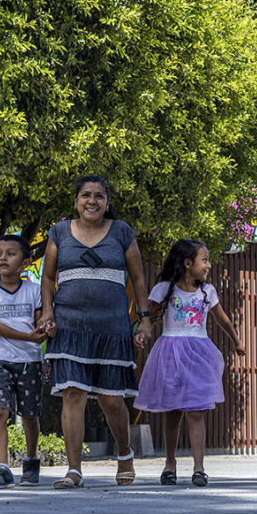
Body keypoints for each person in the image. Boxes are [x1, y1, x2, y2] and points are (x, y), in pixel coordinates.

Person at [39, 175, 153, 488]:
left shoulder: (122, 232)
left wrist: (144, 319)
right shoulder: (59, 232)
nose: (92, 201)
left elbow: (139, 280)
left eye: (99, 196)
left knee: (111, 400)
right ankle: (74, 470)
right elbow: (48, 278)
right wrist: (47, 312)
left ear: (107, 202)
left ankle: (124, 453)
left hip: (112, 328)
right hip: (69, 326)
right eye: (86, 195)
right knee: (72, 394)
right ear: (76, 201)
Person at [134, 240, 245, 487]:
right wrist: (142, 334)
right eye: (204, 260)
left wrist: (237, 340)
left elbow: (222, 319)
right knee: (172, 412)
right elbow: (150, 320)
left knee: (196, 411)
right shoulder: (164, 290)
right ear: (187, 263)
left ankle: (199, 467)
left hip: (198, 353)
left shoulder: (208, 292)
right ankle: (170, 463)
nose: (208, 265)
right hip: (170, 352)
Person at [0, 235, 50, 489]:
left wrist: (46, 328)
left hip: (29, 360)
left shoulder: (35, 291)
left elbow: (42, 320)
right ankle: (3, 468)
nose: (2, 258)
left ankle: (31, 462)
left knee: (30, 414)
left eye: (10, 254)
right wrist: (28, 335)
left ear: (26, 262)